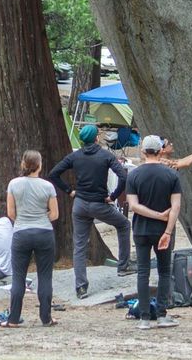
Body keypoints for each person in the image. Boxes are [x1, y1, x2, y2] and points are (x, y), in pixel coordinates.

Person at [49, 124, 134, 300]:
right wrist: (114, 196)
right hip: (99, 203)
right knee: (124, 224)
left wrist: (69, 191)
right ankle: (123, 266)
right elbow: (124, 177)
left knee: (79, 245)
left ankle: (81, 287)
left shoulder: (75, 156)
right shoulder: (105, 156)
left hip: (79, 204)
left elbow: (54, 174)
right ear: (96, 138)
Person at [126, 135, 182, 330]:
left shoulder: (133, 175)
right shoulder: (172, 175)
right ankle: (161, 314)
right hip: (163, 231)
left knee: (143, 272)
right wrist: (166, 227)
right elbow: (175, 207)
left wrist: (154, 215)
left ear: (143, 151)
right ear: (160, 151)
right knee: (164, 271)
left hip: (141, 229)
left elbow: (134, 206)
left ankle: (143, 317)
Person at [2, 150, 59, 327]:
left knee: (18, 277)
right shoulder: (48, 186)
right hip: (44, 233)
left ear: (23, 164)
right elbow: (55, 214)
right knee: (45, 276)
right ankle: (46, 317)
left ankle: (13, 319)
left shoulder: (14, 184)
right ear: (39, 165)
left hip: (21, 233)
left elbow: (11, 213)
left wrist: (24, 221)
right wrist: (40, 219)